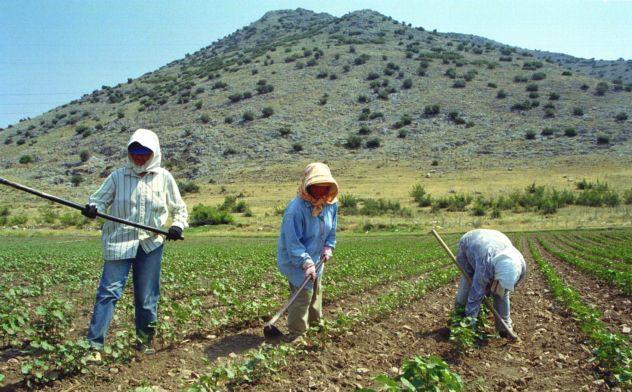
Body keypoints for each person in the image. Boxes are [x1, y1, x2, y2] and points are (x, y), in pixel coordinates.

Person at [81, 128, 188, 354]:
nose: (139, 156)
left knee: (147, 296)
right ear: (129, 152)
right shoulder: (118, 177)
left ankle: (145, 342)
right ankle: (94, 345)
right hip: (119, 241)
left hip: (150, 243)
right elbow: (98, 200)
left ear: (154, 152)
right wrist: (93, 209)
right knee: (108, 292)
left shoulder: (164, 178)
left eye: (144, 151)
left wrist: (177, 225)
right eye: (134, 150)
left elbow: (180, 209)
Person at [277, 162, 338, 337]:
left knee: (316, 292)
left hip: (318, 257)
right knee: (302, 296)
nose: (320, 192)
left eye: (324, 187)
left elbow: (332, 229)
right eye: (316, 188)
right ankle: (297, 333)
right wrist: (306, 263)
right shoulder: (295, 210)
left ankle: (316, 325)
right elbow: (293, 243)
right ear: (307, 186)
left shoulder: (331, 204)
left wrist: (328, 246)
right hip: (296, 260)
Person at [454, 229, 526, 338]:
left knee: (502, 293)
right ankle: (459, 320)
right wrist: (469, 329)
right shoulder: (485, 265)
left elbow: (505, 288)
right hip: (470, 244)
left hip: (497, 239)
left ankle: (504, 328)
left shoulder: (520, 266)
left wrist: (498, 290)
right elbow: (475, 297)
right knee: (469, 286)